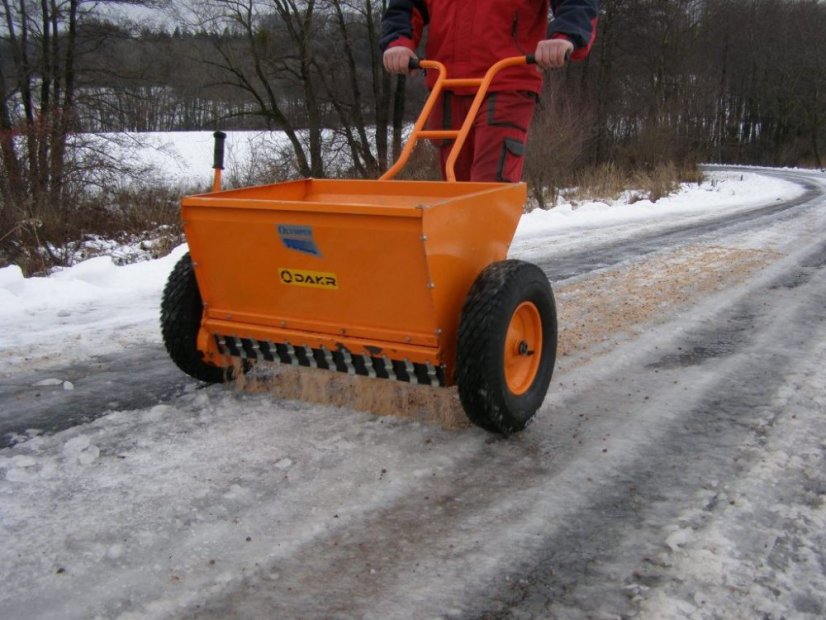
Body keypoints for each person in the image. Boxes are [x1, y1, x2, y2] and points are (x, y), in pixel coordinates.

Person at [380, 0, 600, 183]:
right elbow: (406, 6)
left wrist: (565, 35)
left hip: (505, 80)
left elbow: (578, 4)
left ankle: (483, 235)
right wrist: (398, 42)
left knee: (488, 184)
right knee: (454, 190)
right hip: (447, 85)